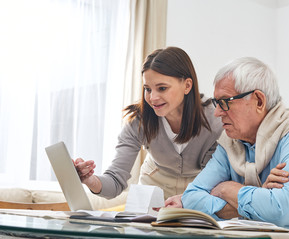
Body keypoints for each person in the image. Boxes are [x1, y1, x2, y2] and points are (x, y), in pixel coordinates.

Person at [181, 57, 289, 232]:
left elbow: (279, 212)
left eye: (225, 102)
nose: (218, 113)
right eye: (216, 103)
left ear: (258, 101)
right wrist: (258, 198)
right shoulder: (229, 144)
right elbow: (190, 199)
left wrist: (227, 189)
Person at [73, 46, 224, 200]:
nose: (153, 98)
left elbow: (210, 182)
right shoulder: (138, 123)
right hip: (153, 187)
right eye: (148, 89)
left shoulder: (215, 121)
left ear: (187, 85)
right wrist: (89, 180)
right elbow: (114, 181)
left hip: (198, 189)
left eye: (162, 88)